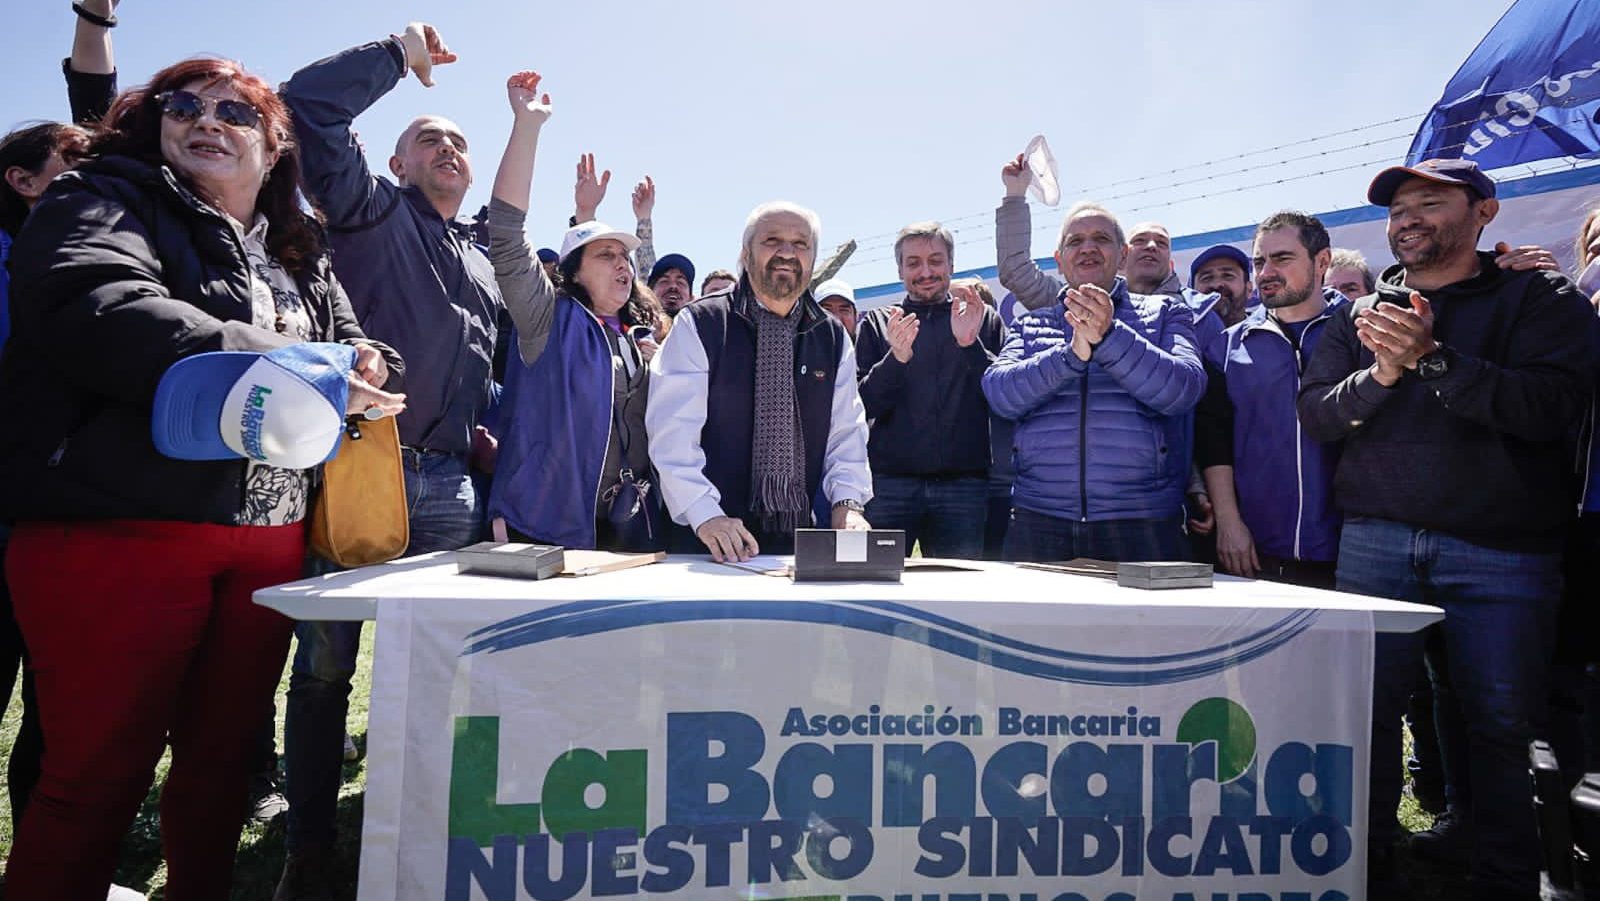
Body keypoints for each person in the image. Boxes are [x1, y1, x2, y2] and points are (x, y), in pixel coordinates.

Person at [0, 55, 404, 900]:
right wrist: (296, 363)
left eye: (235, 111)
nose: (205, 120)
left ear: (274, 143)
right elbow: (94, 298)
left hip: (268, 542)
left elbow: (354, 341)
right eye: (183, 105)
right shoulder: (101, 198)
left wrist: (365, 359)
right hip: (118, 530)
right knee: (95, 780)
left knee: (223, 770)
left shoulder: (299, 246)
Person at [1297, 158, 1593, 901]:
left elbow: (1552, 407)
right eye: (1400, 209)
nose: (1410, 218)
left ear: (1485, 213)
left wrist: (1433, 359)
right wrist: (1385, 374)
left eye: (1431, 202)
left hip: (1503, 555)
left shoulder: (1537, 295)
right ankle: (1367, 869)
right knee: (1363, 723)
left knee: (1499, 729)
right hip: (1375, 546)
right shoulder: (1353, 313)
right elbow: (1319, 414)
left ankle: (1502, 878)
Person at [277, 22, 501, 898]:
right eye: (428, 138)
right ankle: (308, 843)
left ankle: (417, 825)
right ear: (399, 164)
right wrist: (394, 59)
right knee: (328, 666)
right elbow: (306, 109)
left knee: (440, 669)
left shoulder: (479, 259)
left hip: (451, 488)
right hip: (363, 469)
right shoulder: (369, 210)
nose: (446, 147)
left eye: (458, 140)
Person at [483, 71, 661, 551]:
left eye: (625, 258)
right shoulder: (547, 318)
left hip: (624, 532)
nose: (623, 266)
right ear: (573, 272)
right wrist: (528, 126)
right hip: (543, 530)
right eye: (606, 256)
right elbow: (505, 233)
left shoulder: (632, 337)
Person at [647, 201, 872, 561]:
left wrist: (848, 504)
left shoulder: (830, 337)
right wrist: (707, 516)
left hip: (794, 546)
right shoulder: (701, 325)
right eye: (772, 240)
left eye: (800, 243)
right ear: (745, 254)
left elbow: (845, 433)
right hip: (704, 545)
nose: (787, 253)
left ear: (813, 258)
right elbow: (672, 439)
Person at [983, 200, 1205, 562]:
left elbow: (1183, 390)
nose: (1087, 247)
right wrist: (1070, 356)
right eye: (1075, 241)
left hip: (1142, 522)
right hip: (1038, 520)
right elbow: (1000, 395)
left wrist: (1108, 336)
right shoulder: (1030, 324)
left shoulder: (1167, 313)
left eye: (1101, 238)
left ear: (1122, 255)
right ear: (1059, 258)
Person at [1194, 212, 1343, 588]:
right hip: (1253, 553)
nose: (1266, 272)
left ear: (1322, 261)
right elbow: (1215, 445)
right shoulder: (1224, 348)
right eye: (1260, 261)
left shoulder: (1356, 332)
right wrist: (1229, 524)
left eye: (1283, 258)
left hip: (1351, 552)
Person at [856, 222, 1002, 559]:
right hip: (889, 487)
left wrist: (970, 346)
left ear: (951, 264)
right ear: (900, 270)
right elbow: (863, 406)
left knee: (958, 593)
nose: (926, 272)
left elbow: (1002, 396)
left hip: (964, 488)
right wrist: (897, 359)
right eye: (913, 263)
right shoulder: (879, 323)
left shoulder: (984, 319)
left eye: (935, 261)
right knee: (876, 585)